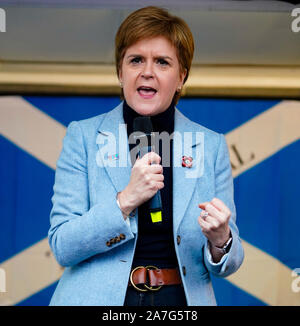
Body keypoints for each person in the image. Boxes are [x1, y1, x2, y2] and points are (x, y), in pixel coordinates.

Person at [48, 6, 244, 306]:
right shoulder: (84, 137)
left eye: (162, 62)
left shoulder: (210, 145)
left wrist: (221, 239)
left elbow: (230, 261)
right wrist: (124, 200)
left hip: (179, 300)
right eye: (136, 60)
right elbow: (62, 246)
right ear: (120, 71)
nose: (147, 71)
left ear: (181, 77)